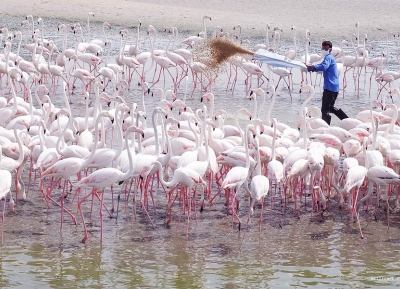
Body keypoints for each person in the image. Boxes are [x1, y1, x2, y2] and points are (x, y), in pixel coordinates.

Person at [305, 40, 348, 125]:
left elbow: (323, 67)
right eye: (323, 48)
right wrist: (310, 68)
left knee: (324, 110)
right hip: (334, 87)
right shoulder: (330, 58)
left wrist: (312, 66)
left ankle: (326, 127)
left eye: (326, 49)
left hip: (330, 87)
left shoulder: (328, 57)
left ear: (330, 49)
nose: (324, 50)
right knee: (330, 108)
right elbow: (321, 66)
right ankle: (347, 120)